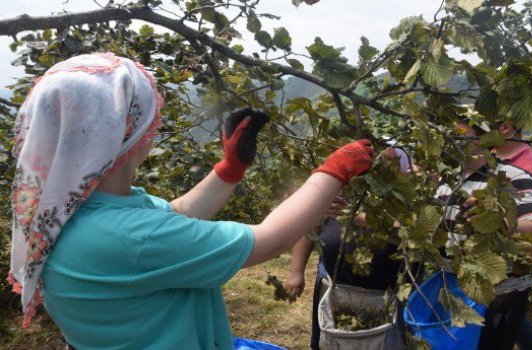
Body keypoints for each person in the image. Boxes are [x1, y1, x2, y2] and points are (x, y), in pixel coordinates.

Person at [7, 53, 374, 349]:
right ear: (128, 133)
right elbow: (270, 240)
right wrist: (334, 170)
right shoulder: (131, 237)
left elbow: (176, 213)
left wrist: (229, 170)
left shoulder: (67, 210)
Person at [285, 144, 419, 350]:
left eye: (392, 161)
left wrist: (355, 216)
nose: (382, 165)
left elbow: (410, 237)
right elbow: (310, 228)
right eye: (380, 159)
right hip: (337, 293)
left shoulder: (408, 201)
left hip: (389, 300)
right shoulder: (343, 192)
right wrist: (296, 271)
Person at [435, 118, 532, 350]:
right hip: (455, 289)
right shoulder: (446, 180)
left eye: (458, 133)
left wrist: (497, 221)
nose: (450, 139)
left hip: (499, 296)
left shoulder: (510, 177)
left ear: (482, 138)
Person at [492, 122, 532, 350]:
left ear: (506, 128)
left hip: (508, 270)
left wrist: (518, 271)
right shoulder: (490, 155)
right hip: (483, 265)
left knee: (507, 323)